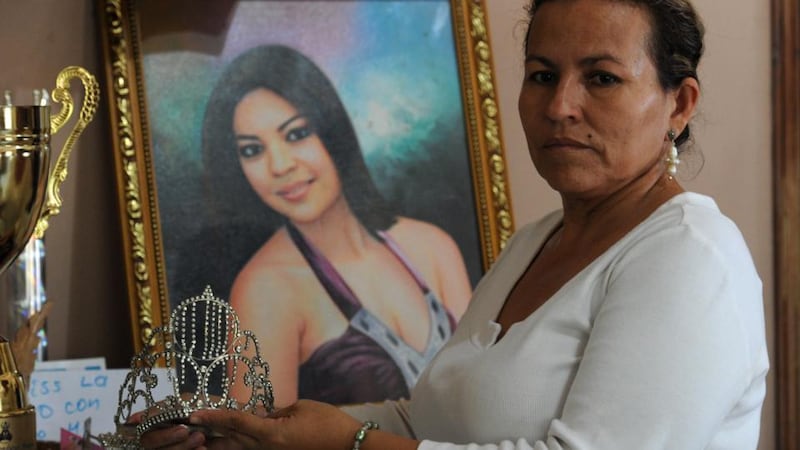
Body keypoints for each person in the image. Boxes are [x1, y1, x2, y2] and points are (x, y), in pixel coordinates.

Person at [143, 0, 769, 448]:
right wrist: (268, 431)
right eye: (542, 76)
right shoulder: (533, 243)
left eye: (602, 79)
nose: (559, 107)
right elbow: (431, 423)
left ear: (678, 105)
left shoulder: (689, 256)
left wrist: (351, 444)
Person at [198, 45, 472, 406]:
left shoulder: (433, 247)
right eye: (252, 150)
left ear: (334, 132)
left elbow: (484, 396)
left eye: (296, 134)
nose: (279, 165)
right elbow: (257, 443)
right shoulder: (264, 289)